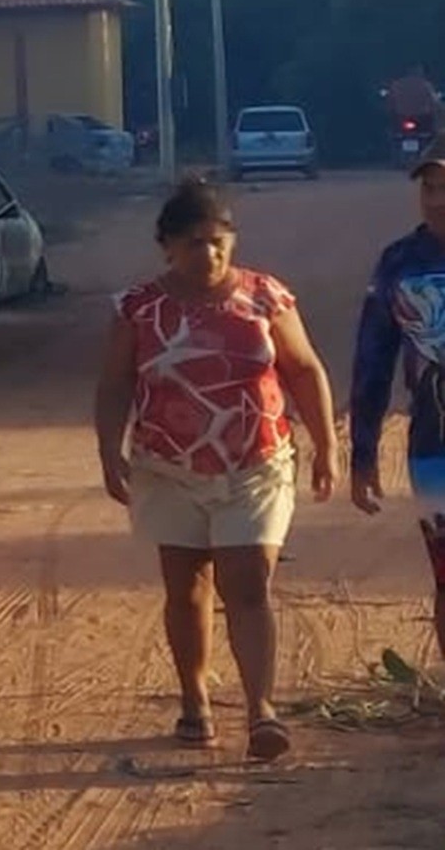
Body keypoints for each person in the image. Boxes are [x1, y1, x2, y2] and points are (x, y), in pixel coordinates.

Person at [94, 179, 338, 761]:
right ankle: (195, 698)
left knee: (248, 584)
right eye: (194, 243)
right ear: (167, 247)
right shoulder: (139, 308)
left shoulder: (266, 297)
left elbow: (304, 371)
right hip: (168, 466)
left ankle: (261, 710)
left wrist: (327, 445)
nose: (208, 254)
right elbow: (116, 383)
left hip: (256, 463)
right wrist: (109, 451)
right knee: (187, 588)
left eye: (218, 241)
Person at [350, 133, 445, 661]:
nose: (438, 201)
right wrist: (362, 453)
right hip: (435, 447)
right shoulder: (400, 263)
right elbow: (373, 361)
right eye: (429, 188)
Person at [387, 64, 441, 135]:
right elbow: (434, 102)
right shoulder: (425, 85)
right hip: (423, 118)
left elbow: (390, 102)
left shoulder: (397, 84)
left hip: (400, 117)